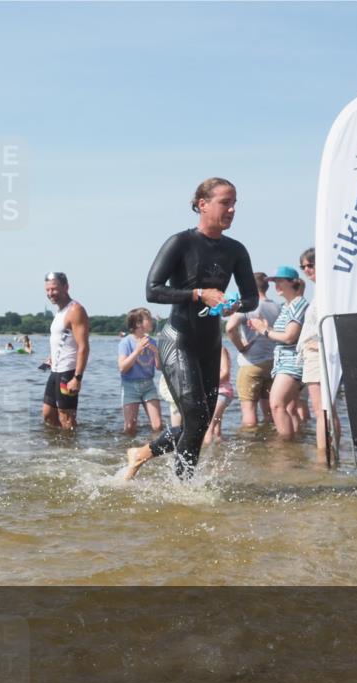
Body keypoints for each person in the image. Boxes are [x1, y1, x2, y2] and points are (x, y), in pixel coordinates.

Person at [125, 177, 257, 481]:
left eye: (235, 203)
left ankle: (142, 455)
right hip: (178, 339)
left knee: (200, 422)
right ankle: (183, 489)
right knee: (196, 419)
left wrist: (235, 304)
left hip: (210, 343)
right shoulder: (180, 243)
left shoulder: (236, 250)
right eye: (226, 202)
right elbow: (153, 290)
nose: (232, 209)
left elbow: (250, 296)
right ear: (202, 204)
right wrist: (199, 293)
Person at [248, 267, 309, 441]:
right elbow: (284, 335)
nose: (276, 285)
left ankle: (285, 449)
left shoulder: (298, 304)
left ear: (293, 282)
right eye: (274, 282)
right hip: (285, 362)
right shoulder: (287, 306)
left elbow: (290, 337)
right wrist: (265, 329)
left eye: (280, 281)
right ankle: (295, 446)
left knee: (277, 406)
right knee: (289, 408)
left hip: (291, 363)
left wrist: (265, 331)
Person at [295, 248, 341, 460]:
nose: (306, 270)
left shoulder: (328, 291)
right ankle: (331, 454)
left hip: (320, 355)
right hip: (316, 354)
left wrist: (320, 345)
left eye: (310, 265)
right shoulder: (322, 291)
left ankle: (324, 457)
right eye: (303, 266)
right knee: (326, 409)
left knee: (321, 410)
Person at [225, 272, 279, 427]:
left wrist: (241, 347)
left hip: (251, 364)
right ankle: (270, 440)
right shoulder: (276, 306)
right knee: (269, 411)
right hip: (272, 363)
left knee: (248, 411)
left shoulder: (248, 306)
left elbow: (229, 328)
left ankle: (250, 444)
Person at [42, 272, 90, 430]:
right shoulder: (59, 312)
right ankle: (59, 447)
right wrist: (51, 358)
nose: (50, 294)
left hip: (68, 372)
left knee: (67, 419)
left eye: (54, 289)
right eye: (48, 290)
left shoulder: (75, 310)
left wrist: (77, 377)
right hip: (55, 370)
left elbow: (83, 346)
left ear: (66, 287)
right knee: (48, 415)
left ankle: (72, 452)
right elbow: (63, 340)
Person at [117, 307, 162, 435]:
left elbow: (159, 367)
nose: (152, 320)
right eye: (148, 318)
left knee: (158, 425)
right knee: (130, 426)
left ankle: (154, 449)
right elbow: (122, 368)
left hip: (148, 385)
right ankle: (128, 449)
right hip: (130, 386)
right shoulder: (126, 343)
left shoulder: (152, 341)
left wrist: (156, 353)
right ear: (138, 323)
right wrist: (137, 351)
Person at [204, 346, 233, 444]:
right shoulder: (199, 350)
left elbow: (225, 372)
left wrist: (208, 383)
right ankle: (220, 452)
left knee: (209, 427)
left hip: (223, 391)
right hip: (208, 392)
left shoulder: (220, 349)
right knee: (217, 433)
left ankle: (204, 456)